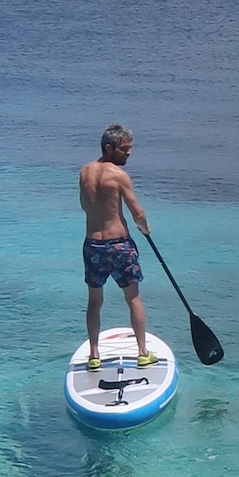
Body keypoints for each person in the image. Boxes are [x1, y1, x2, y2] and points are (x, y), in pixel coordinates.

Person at [78, 123, 158, 368]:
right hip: (119, 246)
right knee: (133, 298)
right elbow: (137, 212)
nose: (128, 153)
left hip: (93, 244)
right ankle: (143, 353)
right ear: (109, 148)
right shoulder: (119, 176)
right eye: (124, 149)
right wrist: (145, 227)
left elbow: (85, 206)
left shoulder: (84, 172)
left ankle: (94, 356)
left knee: (94, 300)